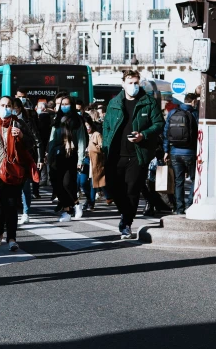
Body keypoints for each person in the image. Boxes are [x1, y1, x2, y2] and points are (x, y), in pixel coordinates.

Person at [102, 70, 165, 239]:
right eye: (130, 82)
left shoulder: (148, 102)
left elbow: (159, 123)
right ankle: (125, 214)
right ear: (123, 83)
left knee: (132, 189)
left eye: (136, 82)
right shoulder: (114, 103)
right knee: (114, 190)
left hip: (137, 154)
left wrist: (143, 135)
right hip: (115, 154)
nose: (133, 86)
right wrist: (105, 145)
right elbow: (107, 126)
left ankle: (126, 223)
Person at [0, 96, 34, 250]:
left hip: (14, 172)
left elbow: (31, 144)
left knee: (11, 205)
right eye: (3, 105)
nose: (6, 108)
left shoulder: (19, 123)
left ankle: (12, 238)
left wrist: (21, 136)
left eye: (8, 105)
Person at [47, 96, 87, 221]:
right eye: (62, 104)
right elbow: (52, 139)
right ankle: (67, 210)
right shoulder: (57, 119)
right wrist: (48, 155)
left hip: (71, 154)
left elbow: (81, 141)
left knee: (67, 183)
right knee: (56, 183)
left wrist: (80, 160)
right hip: (57, 155)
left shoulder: (77, 120)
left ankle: (75, 203)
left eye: (66, 104)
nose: (64, 106)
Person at [163, 93, 199, 215]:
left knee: (179, 181)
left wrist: (166, 150)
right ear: (193, 101)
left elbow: (166, 132)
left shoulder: (172, 112)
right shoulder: (195, 114)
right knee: (195, 179)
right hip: (190, 152)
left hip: (174, 152)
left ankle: (179, 208)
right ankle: (189, 204)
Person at [11, 97, 44, 223]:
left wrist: (40, 158)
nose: (10, 110)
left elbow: (37, 140)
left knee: (25, 186)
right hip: (11, 158)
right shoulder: (6, 121)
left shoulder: (27, 121)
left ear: (19, 109)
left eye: (13, 107)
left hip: (25, 157)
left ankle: (26, 212)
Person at [80, 116, 104, 212]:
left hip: (94, 159)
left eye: (88, 126)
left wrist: (93, 147)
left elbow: (102, 147)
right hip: (84, 159)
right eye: (85, 127)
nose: (87, 129)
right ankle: (88, 199)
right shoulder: (82, 134)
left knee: (93, 182)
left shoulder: (97, 134)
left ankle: (91, 202)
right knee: (82, 181)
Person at [35, 99, 52, 190]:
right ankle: (47, 178)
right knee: (45, 161)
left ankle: (45, 178)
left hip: (44, 141)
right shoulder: (48, 117)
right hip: (46, 142)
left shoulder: (43, 117)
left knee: (43, 160)